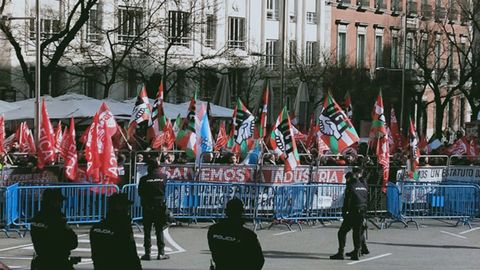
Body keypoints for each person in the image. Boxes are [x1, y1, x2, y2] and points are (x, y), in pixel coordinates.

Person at [208, 198, 264, 270]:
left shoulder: (213, 230)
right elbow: (259, 260)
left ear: (226, 212)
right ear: (241, 213)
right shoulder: (247, 235)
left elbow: (214, 250)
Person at [90, 193, 142, 270]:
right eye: (126, 206)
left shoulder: (96, 228)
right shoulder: (123, 228)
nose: (128, 210)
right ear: (118, 206)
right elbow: (131, 254)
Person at [30, 189, 78, 270]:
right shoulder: (57, 219)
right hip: (57, 261)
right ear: (53, 202)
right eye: (59, 202)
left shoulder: (37, 218)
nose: (61, 204)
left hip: (41, 260)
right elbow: (72, 242)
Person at [330, 168, 368, 261]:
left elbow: (347, 201)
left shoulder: (350, 186)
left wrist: (344, 212)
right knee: (357, 233)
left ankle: (340, 252)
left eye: (346, 179)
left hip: (353, 212)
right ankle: (357, 252)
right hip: (362, 211)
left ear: (349, 178)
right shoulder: (363, 186)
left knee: (342, 232)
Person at [138, 159, 170, 261]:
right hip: (159, 207)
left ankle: (147, 253)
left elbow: (140, 192)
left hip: (147, 207)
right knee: (159, 230)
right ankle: (161, 253)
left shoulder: (143, 179)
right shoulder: (163, 177)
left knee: (147, 231)